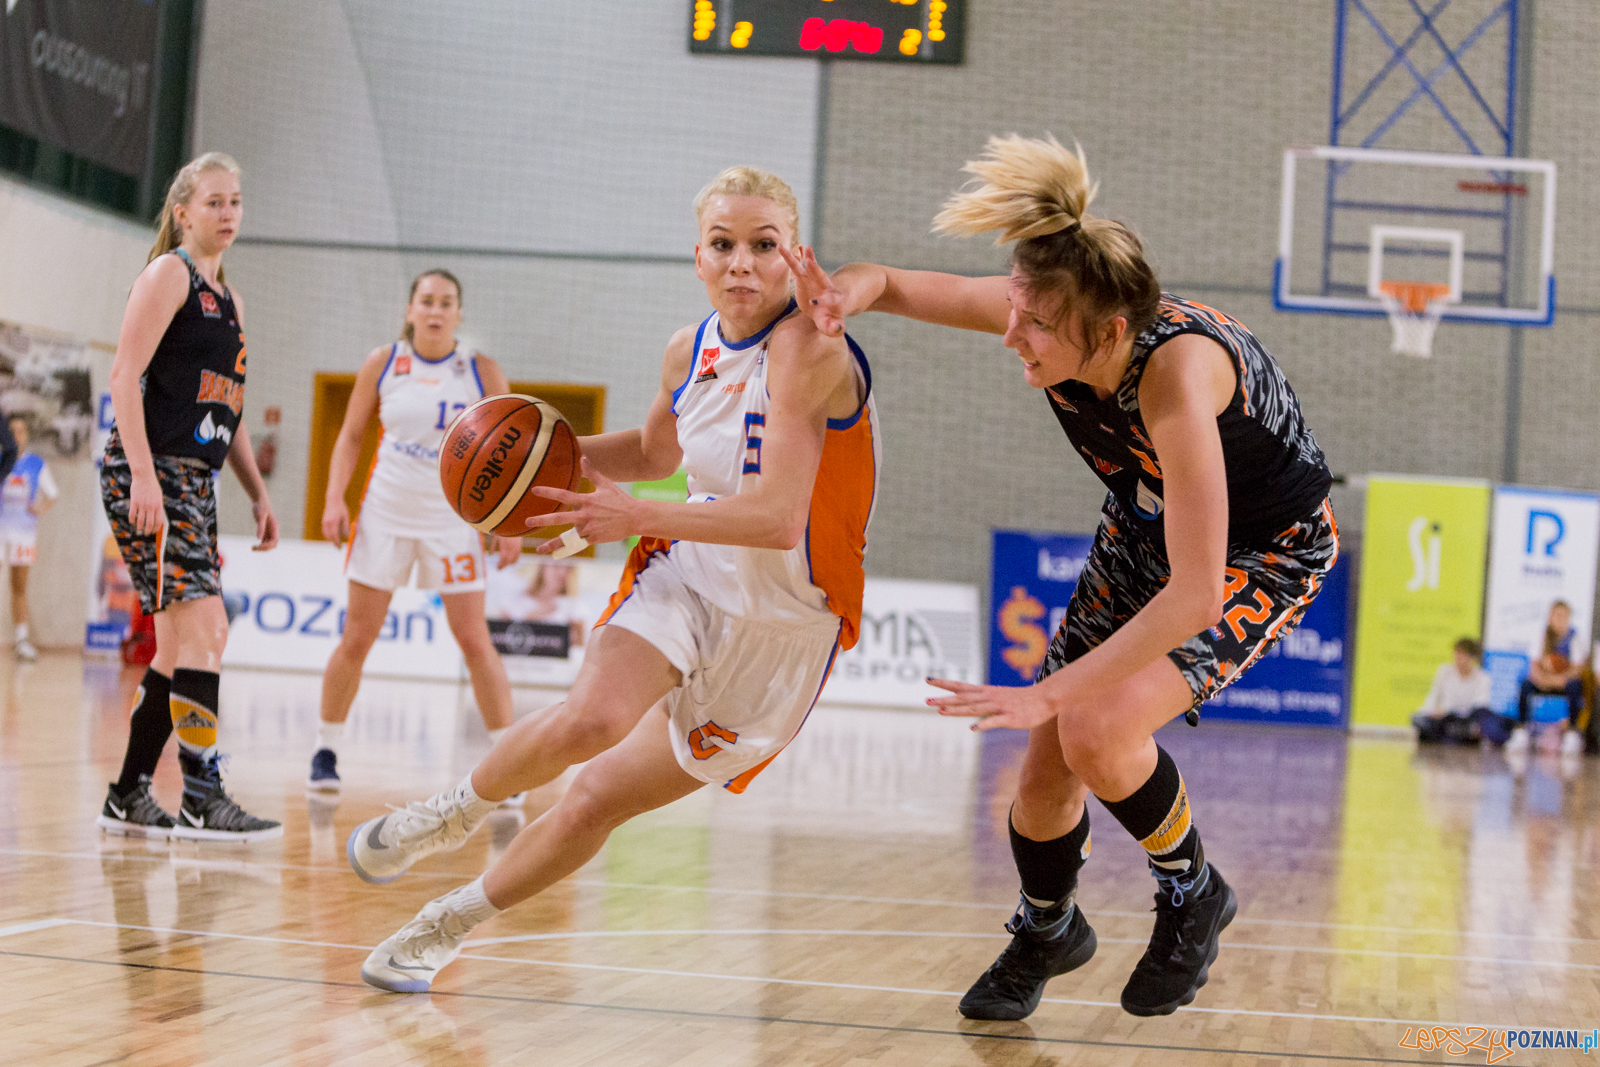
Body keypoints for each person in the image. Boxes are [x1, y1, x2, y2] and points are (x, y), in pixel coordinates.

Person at [783, 135, 1338, 1019]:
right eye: (1013, 310)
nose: (1012, 336)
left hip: (1261, 551)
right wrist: (841, 294)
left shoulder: (1177, 376)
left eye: (1032, 327)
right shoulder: (1050, 308)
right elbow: (887, 281)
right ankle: (1048, 928)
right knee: (1040, 782)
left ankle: (1194, 890)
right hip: (1145, 528)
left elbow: (1197, 592)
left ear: (1108, 332)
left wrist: (1048, 694)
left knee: (1094, 727)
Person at [344, 165, 878, 994]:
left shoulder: (811, 349)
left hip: (788, 628)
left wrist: (638, 514)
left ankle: (445, 923)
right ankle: (447, 813)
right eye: (724, 244)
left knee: (595, 800)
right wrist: (533, 465)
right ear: (697, 256)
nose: (742, 262)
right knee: (591, 719)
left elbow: (776, 517)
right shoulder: (687, 349)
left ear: (792, 256)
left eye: (763, 245)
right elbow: (658, 458)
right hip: (688, 570)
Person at [95, 152, 282, 842]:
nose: (227, 213)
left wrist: (258, 494)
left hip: (195, 478)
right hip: (153, 469)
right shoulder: (168, 274)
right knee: (209, 630)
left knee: (177, 649)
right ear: (182, 212)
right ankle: (202, 794)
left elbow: (225, 408)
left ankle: (127, 794)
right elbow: (122, 377)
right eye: (213, 202)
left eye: (235, 201)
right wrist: (143, 475)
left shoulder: (231, 300)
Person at [309, 270, 522, 794]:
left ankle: (512, 761)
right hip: (384, 512)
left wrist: (508, 522)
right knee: (357, 637)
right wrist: (335, 497)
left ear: (459, 314)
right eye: (426, 301)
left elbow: (514, 449)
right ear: (409, 309)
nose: (435, 310)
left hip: (452, 520)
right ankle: (325, 749)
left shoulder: (480, 370)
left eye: (446, 302)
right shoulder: (383, 363)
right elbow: (353, 435)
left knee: (474, 640)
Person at [0, 416, 57, 660]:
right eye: (12, 430)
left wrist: (40, 509)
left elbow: (52, 494)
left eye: (21, 431)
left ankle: (21, 640)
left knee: (19, 586)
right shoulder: (3, 462)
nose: (17, 435)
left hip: (24, 533)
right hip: (1, 530)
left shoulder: (35, 464)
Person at [1509, 599, 1587, 756]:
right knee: (1525, 685)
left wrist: (1557, 680)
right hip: (1544, 681)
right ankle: (1521, 730)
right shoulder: (1541, 636)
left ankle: (1572, 732)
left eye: (1563, 616)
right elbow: (1534, 666)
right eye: (1556, 615)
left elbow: (1577, 670)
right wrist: (1544, 680)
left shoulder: (1574, 638)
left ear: (1569, 618)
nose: (1560, 619)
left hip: (1563, 682)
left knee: (1576, 686)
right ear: (1550, 617)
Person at [1411, 638, 1498, 744]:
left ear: (1472, 658)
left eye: (1462, 655)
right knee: (1421, 721)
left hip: (1466, 720)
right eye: (1456, 654)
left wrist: (1455, 713)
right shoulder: (1445, 672)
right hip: (1445, 720)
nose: (1457, 658)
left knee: (1480, 721)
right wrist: (1430, 711)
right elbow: (1433, 696)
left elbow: (1481, 705)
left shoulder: (1483, 678)